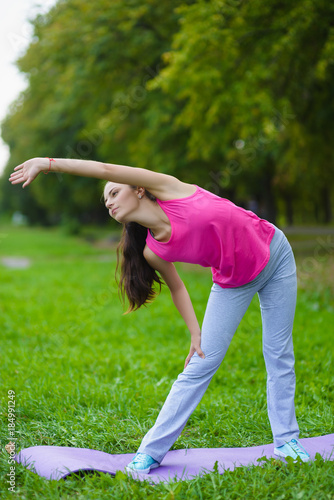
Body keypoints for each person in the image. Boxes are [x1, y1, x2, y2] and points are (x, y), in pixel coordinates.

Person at [9, 157, 310, 473]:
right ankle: (150, 452)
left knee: (278, 353)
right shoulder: (153, 250)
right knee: (200, 364)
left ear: (138, 189)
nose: (109, 203)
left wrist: (46, 163)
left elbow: (105, 170)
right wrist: (195, 333)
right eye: (105, 199)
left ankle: (287, 442)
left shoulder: (169, 188)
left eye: (113, 194)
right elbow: (178, 287)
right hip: (232, 280)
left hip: (274, 253)